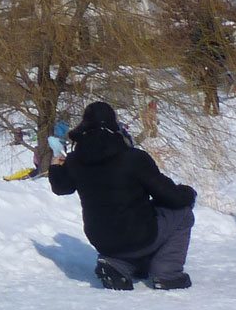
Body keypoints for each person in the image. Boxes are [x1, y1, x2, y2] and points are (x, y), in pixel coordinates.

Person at [49, 102, 197, 290]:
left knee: (129, 229)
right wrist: (187, 193)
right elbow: (171, 197)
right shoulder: (133, 158)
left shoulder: (75, 161)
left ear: (84, 126)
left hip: (101, 240)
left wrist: (55, 165)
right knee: (183, 213)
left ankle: (117, 264)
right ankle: (166, 273)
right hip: (139, 235)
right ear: (115, 126)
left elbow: (61, 188)